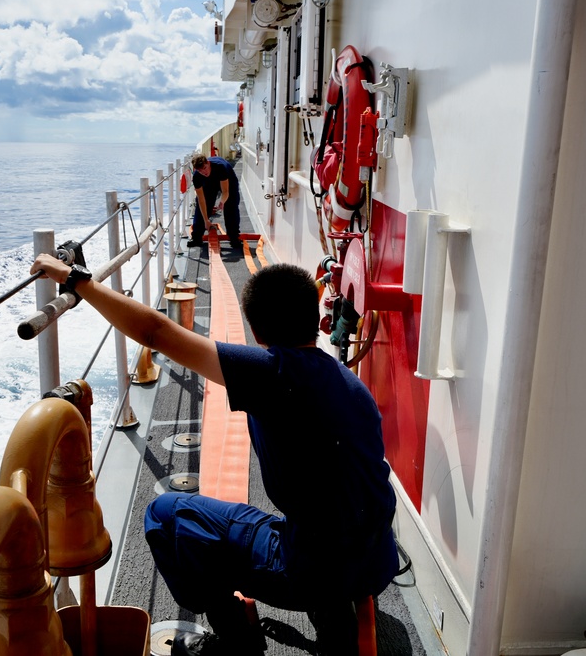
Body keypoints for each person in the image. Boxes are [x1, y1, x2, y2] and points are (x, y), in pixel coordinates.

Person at [29, 256, 398, 656]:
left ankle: (237, 641)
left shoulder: (272, 374)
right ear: (315, 318)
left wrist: (76, 280)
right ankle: (332, 612)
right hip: (375, 560)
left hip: (312, 570)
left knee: (166, 515)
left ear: (256, 332)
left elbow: (155, 333)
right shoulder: (349, 384)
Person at [189, 153, 242, 250]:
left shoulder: (220, 167)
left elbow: (225, 192)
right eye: (200, 170)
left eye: (204, 168)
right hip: (209, 183)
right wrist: (206, 221)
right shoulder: (197, 176)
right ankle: (196, 237)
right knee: (204, 204)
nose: (203, 172)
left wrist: (222, 202)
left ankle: (234, 237)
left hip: (228, 179)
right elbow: (201, 200)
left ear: (208, 163)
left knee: (231, 205)